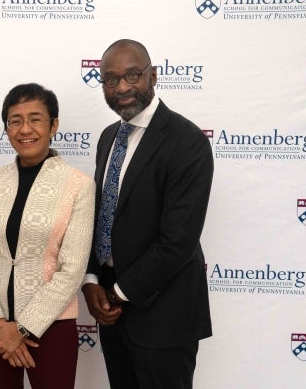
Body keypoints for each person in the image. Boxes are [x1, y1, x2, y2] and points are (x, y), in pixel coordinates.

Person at [82, 39, 214, 389]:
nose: (122, 87)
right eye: (110, 80)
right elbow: (102, 218)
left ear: (152, 76)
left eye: (133, 75)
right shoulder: (108, 137)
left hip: (164, 316)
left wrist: (119, 293)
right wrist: (93, 280)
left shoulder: (187, 141)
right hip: (112, 313)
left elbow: (178, 241)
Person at [0, 83, 95, 389]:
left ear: (54, 126)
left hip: (51, 327)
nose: (25, 129)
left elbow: (72, 269)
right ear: (6, 129)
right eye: (15, 120)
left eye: (36, 118)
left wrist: (21, 328)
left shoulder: (78, 185)